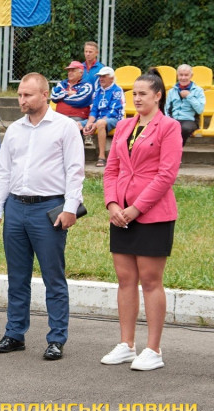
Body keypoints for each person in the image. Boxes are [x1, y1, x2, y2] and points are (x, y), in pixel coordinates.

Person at [0, 73, 84, 361]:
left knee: (53, 277)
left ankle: (56, 338)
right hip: (16, 207)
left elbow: (75, 170)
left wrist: (70, 207)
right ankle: (15, 334)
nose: (22, 100)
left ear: (45, 95)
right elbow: (4, 172)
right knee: (17, 276)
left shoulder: (65, 127)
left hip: (49, 208)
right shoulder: (14, 130)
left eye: (27, 95)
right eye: (20, 95)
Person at [101, 69, 182, 371]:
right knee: (125, 280)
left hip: (153, 215)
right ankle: (126, 344)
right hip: (120, 214)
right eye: (133, 94)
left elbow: (166, 174)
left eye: (142, 94)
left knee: (150, 281)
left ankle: (153, 349)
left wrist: (135, 208)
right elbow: (112, 169)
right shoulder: (124, 126)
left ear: (158, 95)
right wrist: (112, 204)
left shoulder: (169, 127)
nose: (136, 98)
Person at [78, 66, 125, 167]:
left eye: (104, 76)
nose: (101, 79)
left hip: (115, 119)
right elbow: (94, 110)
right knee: (75, 124)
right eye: (100, 76)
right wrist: (89, 123)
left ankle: (102, 157)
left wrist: (95, 124)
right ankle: (77, 157)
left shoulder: (117, 90)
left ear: (111, 78)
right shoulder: (97, 92)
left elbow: (113, 111)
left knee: (100, 123)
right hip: (99, 119)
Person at [165, 64, 205, 146]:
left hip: (190, 120)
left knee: (183, 129)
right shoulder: (172, 91)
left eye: (186, 75)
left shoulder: (198, 90)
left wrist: (189, 96)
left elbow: (200, 110)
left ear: (191, 76)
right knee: (166, 127)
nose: (183, 78)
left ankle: (175, 150)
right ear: (177, 75)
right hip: (173, 119)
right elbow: (166, 108)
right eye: (181, 75)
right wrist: (168, 120)